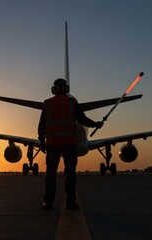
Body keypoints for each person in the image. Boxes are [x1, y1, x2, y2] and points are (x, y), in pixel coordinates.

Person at [38, 78, 103, 210]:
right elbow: (83, 119)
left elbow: (41, 126)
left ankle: (48, 202)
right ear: (66, 89)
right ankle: (70, 202)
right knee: (71, 174)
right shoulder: (72, 103)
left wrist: (42, 141)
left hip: (52, 144)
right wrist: (96, 124)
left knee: (50, 174)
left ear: (53, 89)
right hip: (69, 144)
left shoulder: (47, 103)